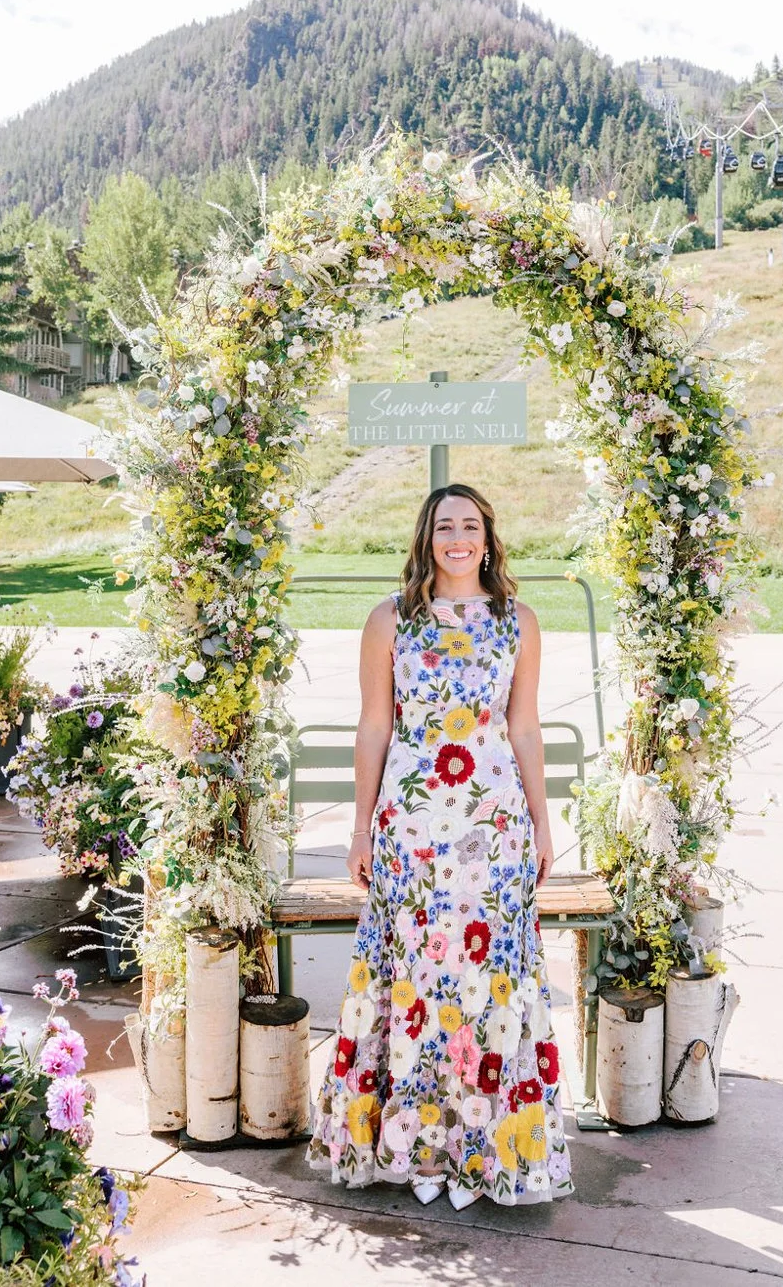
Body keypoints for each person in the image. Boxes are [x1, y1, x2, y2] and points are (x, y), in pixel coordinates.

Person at [306, 483, 574, 1209]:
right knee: (416, 981)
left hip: (494, 830)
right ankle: (412, 1143)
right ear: (426, 539)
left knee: (490, 986)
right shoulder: (389, 621)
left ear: (488, 540)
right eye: (444, 527)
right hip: (413, 833)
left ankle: (488, 1146)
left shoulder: (519, 620)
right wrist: (358, 830)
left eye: (470, 526)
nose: (457, 538)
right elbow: (373, 728)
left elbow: (522, 726)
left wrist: (542, 823)